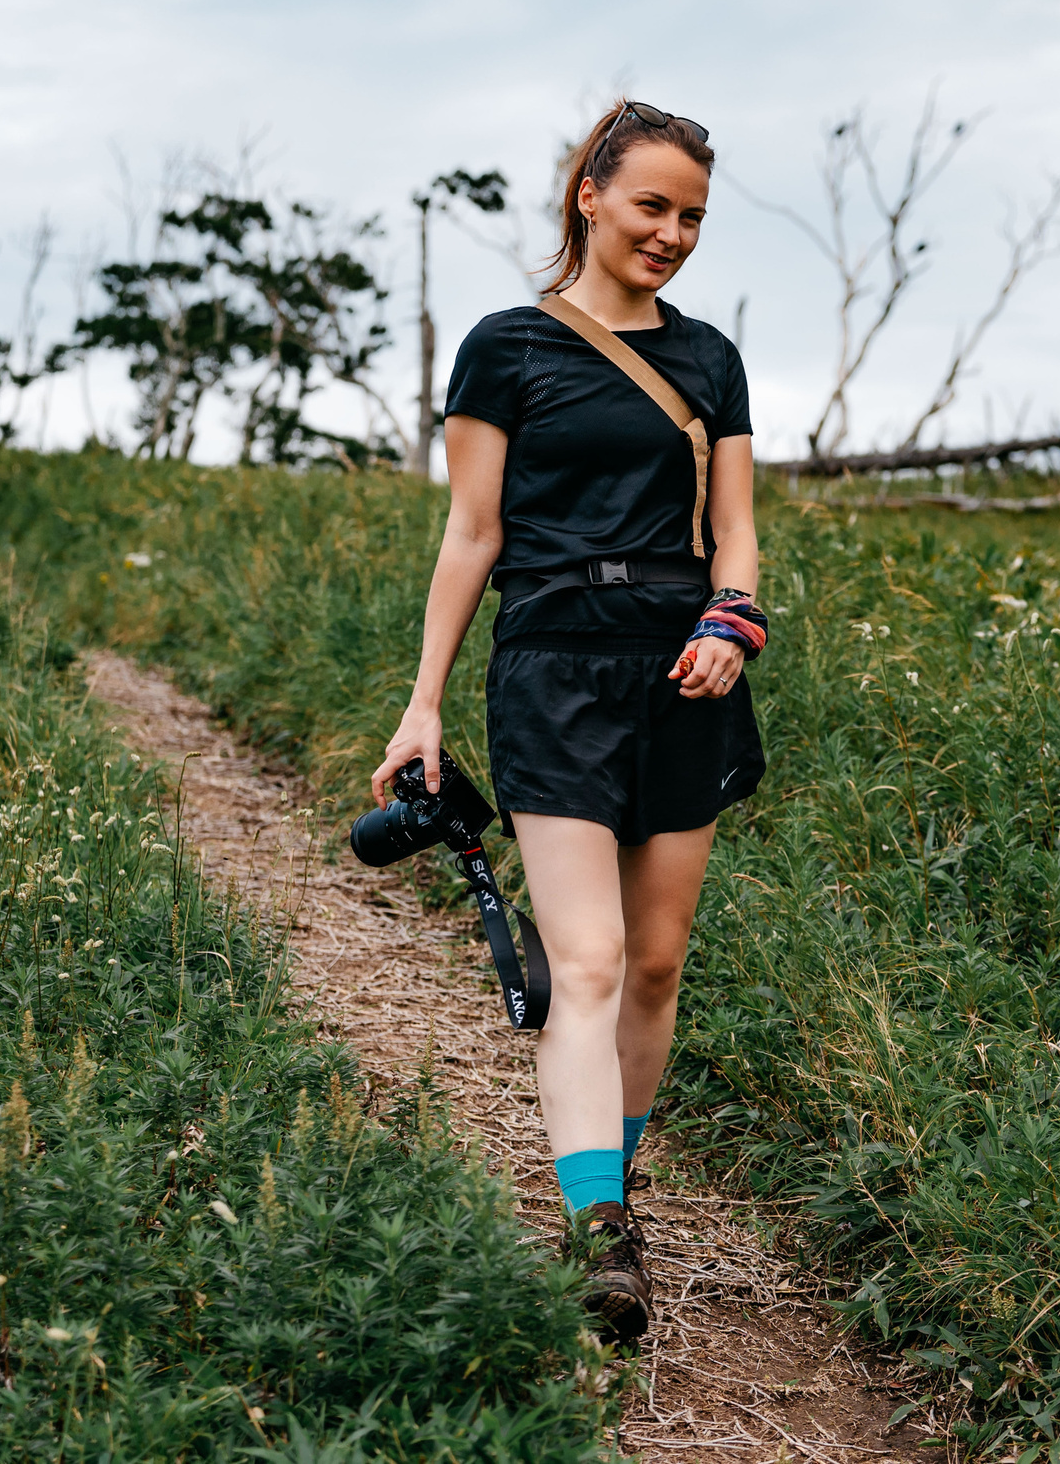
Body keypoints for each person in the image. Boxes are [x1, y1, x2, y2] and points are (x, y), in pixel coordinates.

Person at [371, 100, 768, 1343]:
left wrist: (731, 619)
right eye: (652, 204)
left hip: (685, 670)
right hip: (550, 668)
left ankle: (616, 1178)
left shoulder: (709, 358)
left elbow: (738, 527)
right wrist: (425, 700)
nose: (672, 232)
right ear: (588, 197)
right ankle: (599, 1236)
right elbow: (473, 535)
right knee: (584, 961)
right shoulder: (505, 347)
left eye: (693, 214)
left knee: (655, 964)